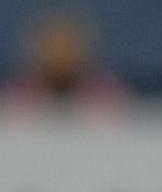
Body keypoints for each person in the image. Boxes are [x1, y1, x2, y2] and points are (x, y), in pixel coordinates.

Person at [1, 9, 130, 119]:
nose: (60, 55)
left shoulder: (105, 94)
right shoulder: (16, 95)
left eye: (67, 46)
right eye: (52, 45)